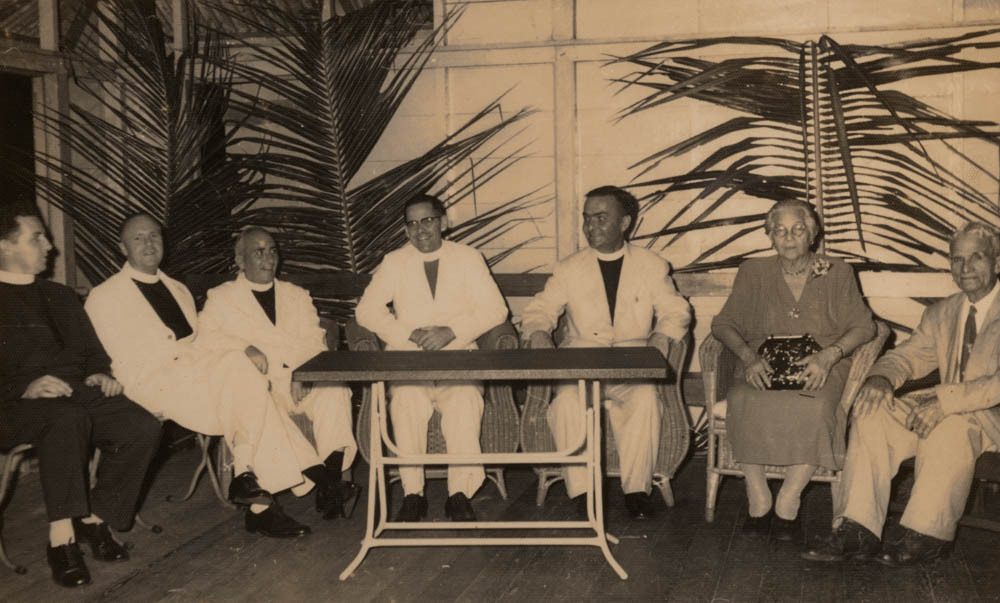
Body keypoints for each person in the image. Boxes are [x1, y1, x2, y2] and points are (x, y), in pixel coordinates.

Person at [85, 213, 327, 539]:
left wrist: (237, 353)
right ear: (122, 247)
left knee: (245, 377)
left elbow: (200, 345)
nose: (149, 243)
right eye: (138, 238)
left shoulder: (178, 290)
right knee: (248, 388)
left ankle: (252, 489)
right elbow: (96, 354)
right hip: (148, 385)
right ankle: (290, 478)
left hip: (193, 378)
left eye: (154, 236)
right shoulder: (105, 296)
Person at [804, 221, 1000, 566]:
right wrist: (880, 378)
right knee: (873, 410)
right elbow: (908, 356)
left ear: (997, 263)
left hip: (991, 416)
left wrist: (945, 401)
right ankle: (858, 528)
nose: (965, 268)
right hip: (948, 406)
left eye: (977, 258)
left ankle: (926, 535)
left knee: (949, 426)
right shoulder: (944, 312)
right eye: (957, 259)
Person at [0, 204, 161, 588]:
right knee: (66, 419)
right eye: (36, 237)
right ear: (4, 246)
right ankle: (61, 540)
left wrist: (99, 373)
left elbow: (93, 352)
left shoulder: (60, 295)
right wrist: (24, 387)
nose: (49, 245)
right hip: (12, 404)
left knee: (141, 426)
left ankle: (95, 519)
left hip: (74, 391)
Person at [521, 185, 692, 519]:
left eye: (601, 218)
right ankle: (583, 493)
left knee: (645, 401)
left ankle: (637, 491)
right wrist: (539, 331)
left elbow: (677, 310)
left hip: (631, 367)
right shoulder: (568, 268)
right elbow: (539, 309)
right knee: (567, 403)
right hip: (582, 366)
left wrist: (661, 334)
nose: (590, 227)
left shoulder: (651, 264)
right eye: (587, 219)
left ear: (625, 222)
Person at [711, 199, 875, 540]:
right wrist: (747, 356)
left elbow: (864, 327)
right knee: (742, 399)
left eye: (798, 230)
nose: (788, 238)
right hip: (763, 362)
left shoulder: (837, 271)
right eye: (780, 230)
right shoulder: (753, 271)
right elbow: (723, 323)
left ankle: (789, 497)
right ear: (770, 235)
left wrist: (830, 356)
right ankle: (758, 496)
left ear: (812, 235)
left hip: (821, 363)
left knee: (814, 406)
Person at [355, 193, 508, 522]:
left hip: (458, 357)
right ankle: (413, 494)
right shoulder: (394, 261)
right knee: (406, 402)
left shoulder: (469, 257)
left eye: (427, 220)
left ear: (443, 222)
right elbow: (366, 310)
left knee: (464, 402)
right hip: (410, 359)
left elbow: (496, 309)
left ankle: (459, 493)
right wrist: (406, 334)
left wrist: (452, 331)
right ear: (406, 230)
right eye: (411, 223)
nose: (420, 229)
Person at [197, 227, 360, 519]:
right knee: (264, 410)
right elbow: (206, 338)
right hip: (257, 386)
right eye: (259, 251)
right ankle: (328, 485)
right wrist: (244, 347)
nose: (268, 258)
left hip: (297, 376)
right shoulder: (222, 297)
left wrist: (302, 373)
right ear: (240, 259)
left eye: (272, 250)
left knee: (334, 386)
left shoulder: (296, 295)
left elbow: (313, 339)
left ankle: (331, 477)